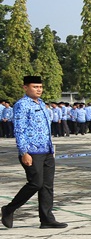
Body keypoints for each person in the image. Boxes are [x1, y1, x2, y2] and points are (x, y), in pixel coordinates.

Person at [2, 76, 67, 230]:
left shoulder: (42, 103)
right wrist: (24, 151)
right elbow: (19, 129)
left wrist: (51, 149)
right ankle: (9, 209)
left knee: (47, 186)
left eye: (40, 87)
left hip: (47, 150)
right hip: (31, 151)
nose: (39, 89)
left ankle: (47, 219)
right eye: (35, 87)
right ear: (25, 88)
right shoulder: (22, 105)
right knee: (35, 183)